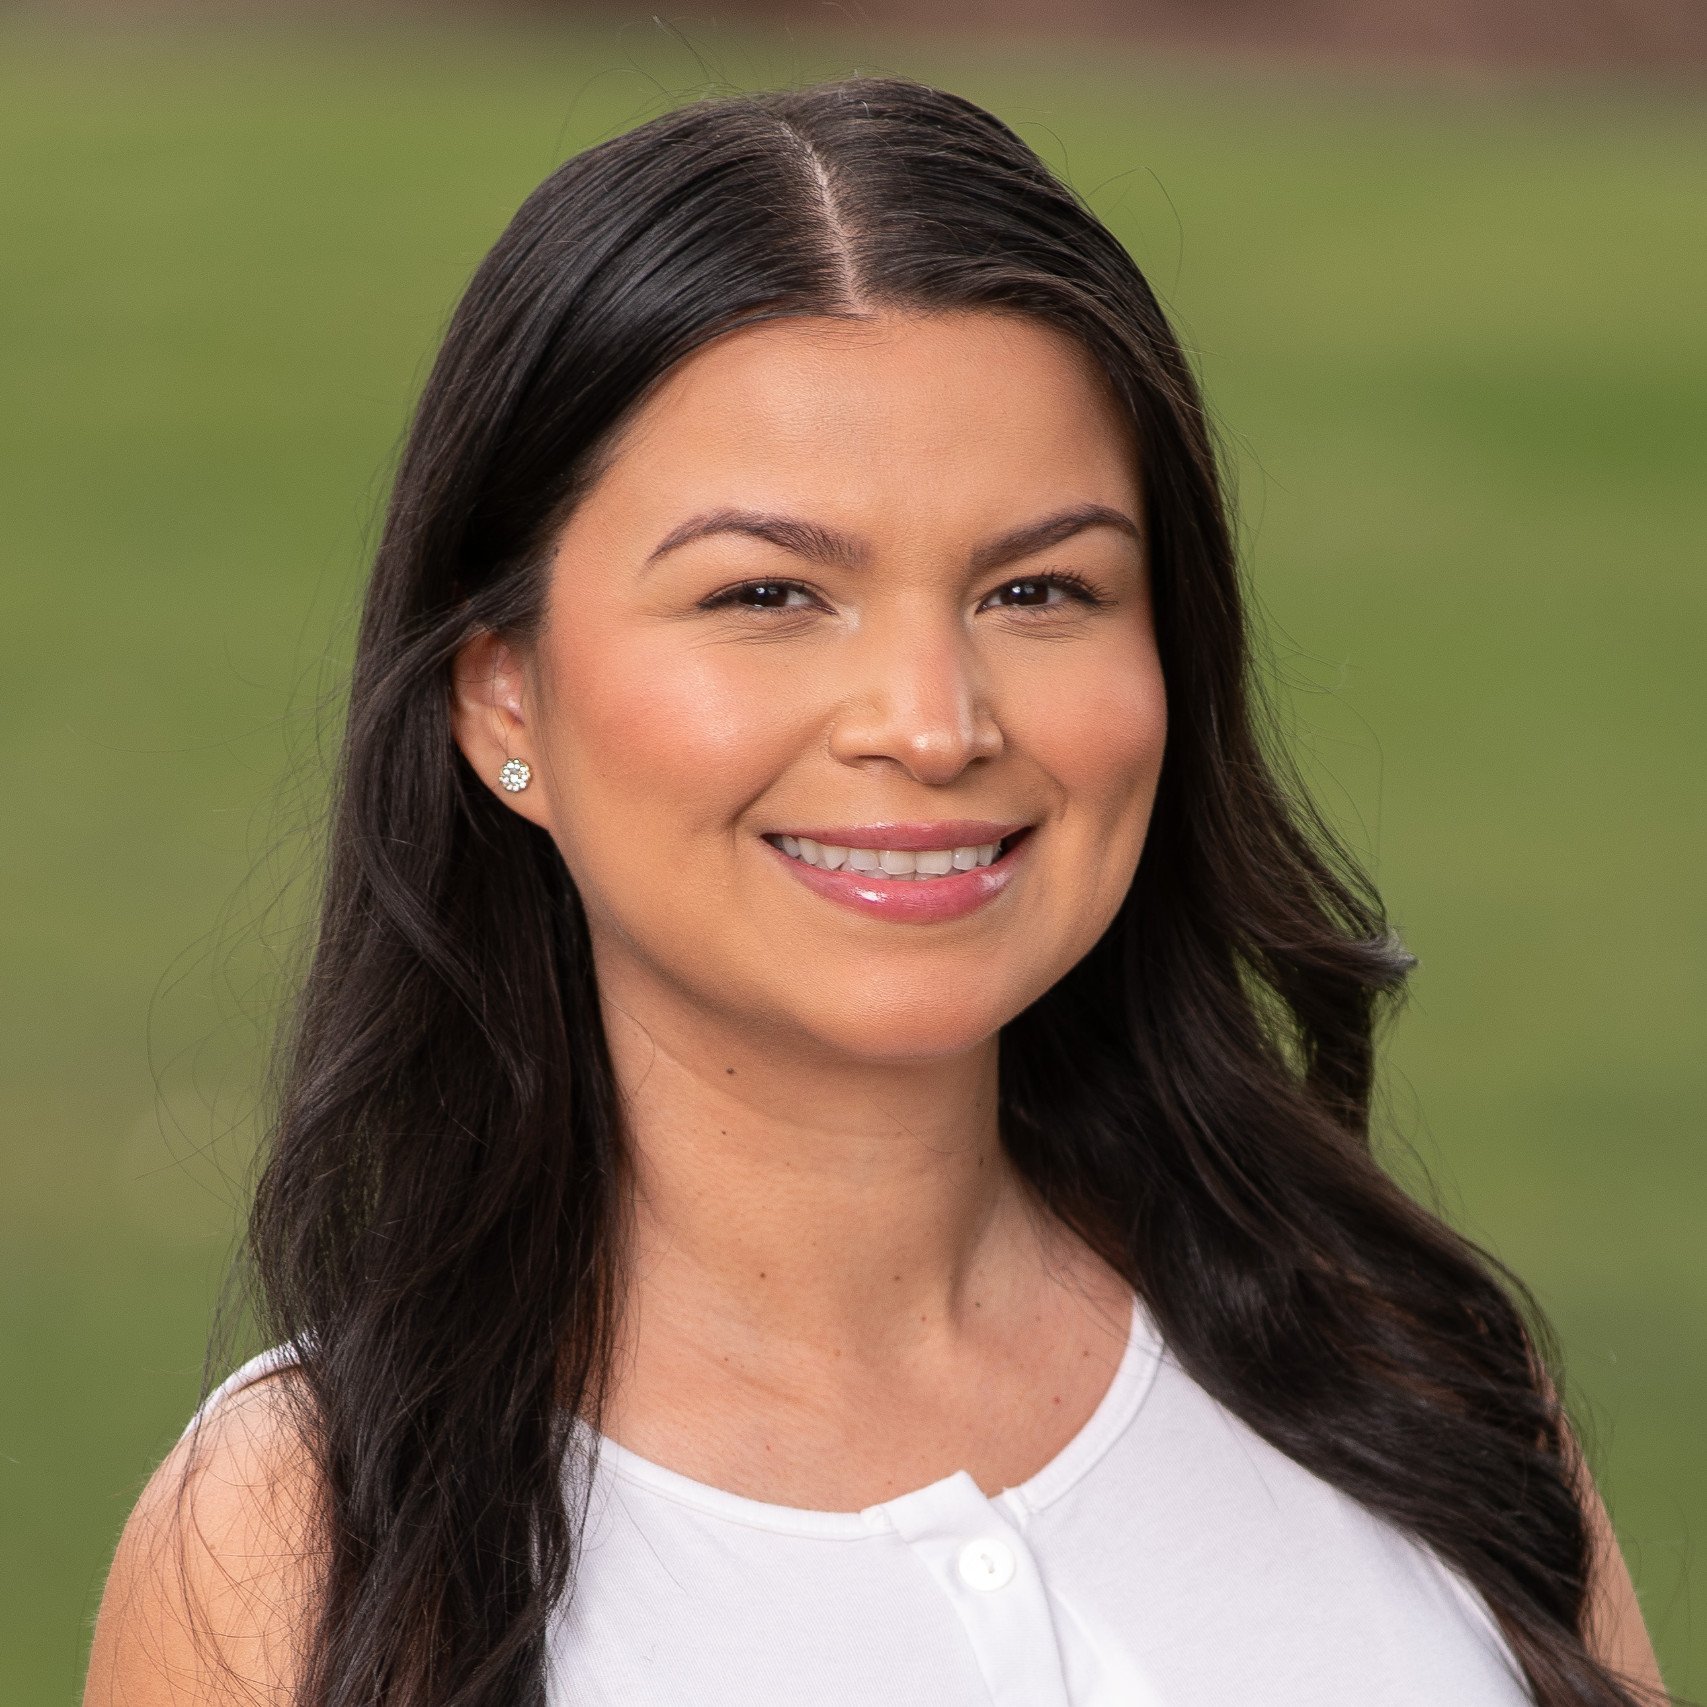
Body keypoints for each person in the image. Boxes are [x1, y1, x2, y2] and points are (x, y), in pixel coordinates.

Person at [84, 77, 1665, 1707]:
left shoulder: (1417, 1381)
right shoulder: (306, 1543)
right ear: (503, 699)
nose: (932, 722)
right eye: (768, 592)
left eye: (1040, 589)